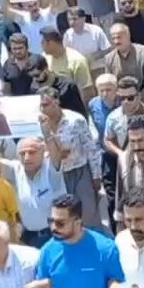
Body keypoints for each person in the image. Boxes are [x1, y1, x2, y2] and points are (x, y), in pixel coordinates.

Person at [36, 87, 103, 228]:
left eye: (46, 105)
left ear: (56, 102)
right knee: (63, 214)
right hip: (55, 175)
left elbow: (90, 148)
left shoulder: (75, 120)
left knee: (88, 212)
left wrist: (96, 175)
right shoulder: (37, 124)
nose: (42, 109)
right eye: (40, 106)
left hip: (80, 171)